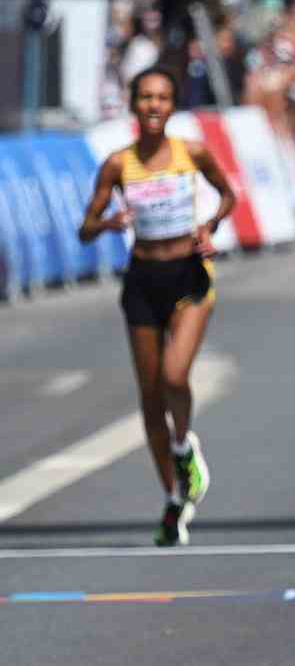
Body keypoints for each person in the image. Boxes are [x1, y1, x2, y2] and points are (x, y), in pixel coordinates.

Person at [79, 66, 236, 547]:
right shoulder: (117, 164)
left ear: (172, 105)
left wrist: (210, 227)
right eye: (144, 97)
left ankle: (184, 447)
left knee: (174, 377)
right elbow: (84, 228)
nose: (152, 105)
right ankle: (173, 500)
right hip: (143, 282)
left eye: (162, 98)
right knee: (149, 398)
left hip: (188, 277)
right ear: (132, 104)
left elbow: (228, 194)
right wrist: (110, 223)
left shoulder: (193, 152)